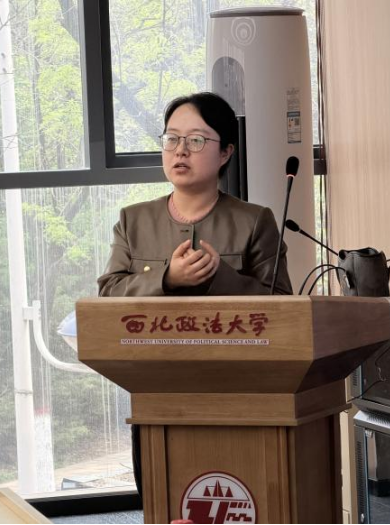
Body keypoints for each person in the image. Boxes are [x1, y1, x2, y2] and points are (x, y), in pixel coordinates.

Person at [97, 91, 292, 498]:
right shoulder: (133, 221)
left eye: (197, 140)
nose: (180, 150)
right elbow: (108, 293)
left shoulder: (255, 221)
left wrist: (222, 277)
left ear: (225, 153)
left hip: (239, 389)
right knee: (162, 498)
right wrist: (167, 278)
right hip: (156, 387)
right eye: (172, 138)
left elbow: (282, 306)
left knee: (237, 495)